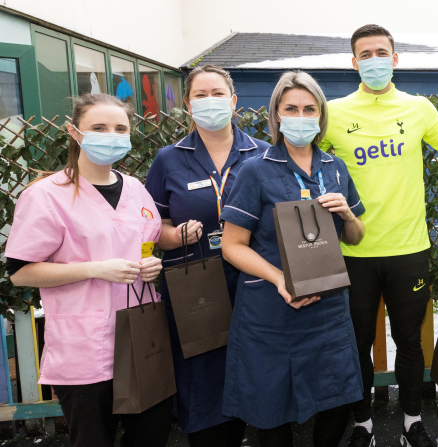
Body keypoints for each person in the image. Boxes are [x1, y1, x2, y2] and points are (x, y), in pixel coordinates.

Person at [5, 93, 170, 447]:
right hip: (84, 349)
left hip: (140, 340)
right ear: (74, 132)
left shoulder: (137, 190)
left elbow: (145, 244)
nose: (111, 135)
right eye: (99, 127)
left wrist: (150, 265)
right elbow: (21, 272)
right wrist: (95, 269)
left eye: (119, 128)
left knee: (151, 436)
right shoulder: (46, 195)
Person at [318, 24, 438, 447]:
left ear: (395, 59)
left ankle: (412, 421)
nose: (374, 60)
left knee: (409, 340)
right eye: (365, 54)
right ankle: (364, 425)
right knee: (355, 344)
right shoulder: (332, 113)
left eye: (381, 52)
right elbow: (299, 159)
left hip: (409, 250)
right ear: (353, 62)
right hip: (351, 252)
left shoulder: (418, 108)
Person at [220, 71, 366, 447]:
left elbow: (354, 236)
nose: (301, 116)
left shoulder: (334, 167)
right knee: (270, 409)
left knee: (337, 402)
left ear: (320, 115)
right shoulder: (255, 169)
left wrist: (348, 215)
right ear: (277, 115)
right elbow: (232, 245)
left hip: (328, 310)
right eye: (291, 108)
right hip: (271, 312)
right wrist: (278, 278)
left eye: (309, 108)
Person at [144, 64, 270, 447]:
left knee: (255, 371)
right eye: (201, 95)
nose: (210, 101)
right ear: (188, 105)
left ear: (233, 102)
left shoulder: (263, 155)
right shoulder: (168, 160)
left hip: (252, 283)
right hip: (193, 287)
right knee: (202, 377)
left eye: (218, 94)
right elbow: (153, 229)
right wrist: (175, 235)